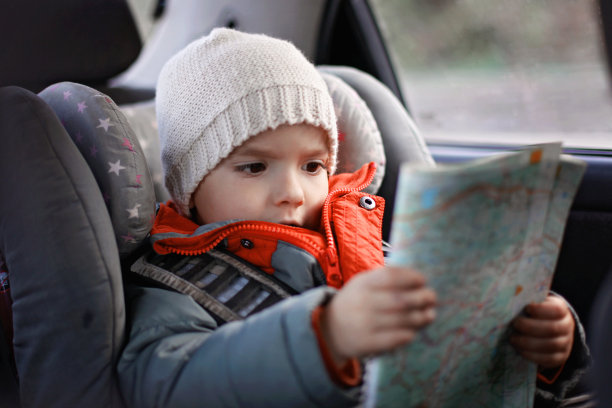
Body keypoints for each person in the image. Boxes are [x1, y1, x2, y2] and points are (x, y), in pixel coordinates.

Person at [117, 28, 589, 407]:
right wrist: (324, 337)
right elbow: (170, 384)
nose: (292, 192)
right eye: (255, 167)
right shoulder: (174, 280)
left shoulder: (370, 242)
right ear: (189, 186)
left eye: (312, 166)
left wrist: (542, 346)